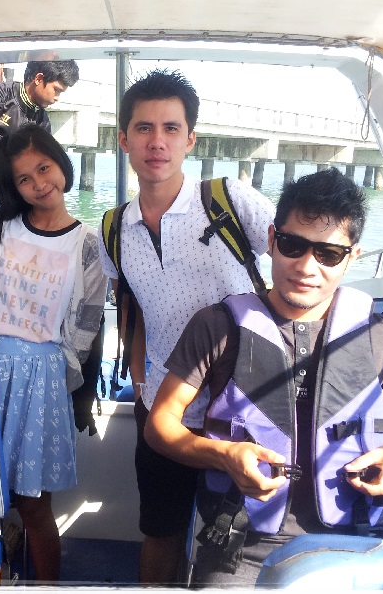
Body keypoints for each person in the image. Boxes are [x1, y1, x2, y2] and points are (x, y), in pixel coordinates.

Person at [145, 167, 383, 587]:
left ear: (352, 257)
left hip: (355, 547)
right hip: (238, 548)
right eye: (293, 245)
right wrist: (223, 455)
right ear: (271, 240)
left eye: (329, 254)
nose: (306, 266)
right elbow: (160, 425)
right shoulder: (216, 326)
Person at [97, 68, 275, 584]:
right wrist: (140, 383)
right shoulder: (113, 228)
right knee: (161, 533)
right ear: (123, 139)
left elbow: (297, 262)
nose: (157, 142)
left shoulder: (228, 200)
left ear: (190, 139)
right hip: (162, 410)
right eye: (144, 128)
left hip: (240, 409)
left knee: (236, 546)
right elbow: (129, 308)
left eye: (171, 128)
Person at [0, 124, 107, 583]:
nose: (38, 184)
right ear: (13, 187)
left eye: (44, 168)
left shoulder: (87, 243)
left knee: (34, 506)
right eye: (24, 179)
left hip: (43, 380)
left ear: (62, 164)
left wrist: (59, 381)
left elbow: (87, 324)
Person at [0, 60, 80, 251]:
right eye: (57, 90)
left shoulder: (42, 122)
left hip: (0, 196)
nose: (57, 98)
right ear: (39, 78)